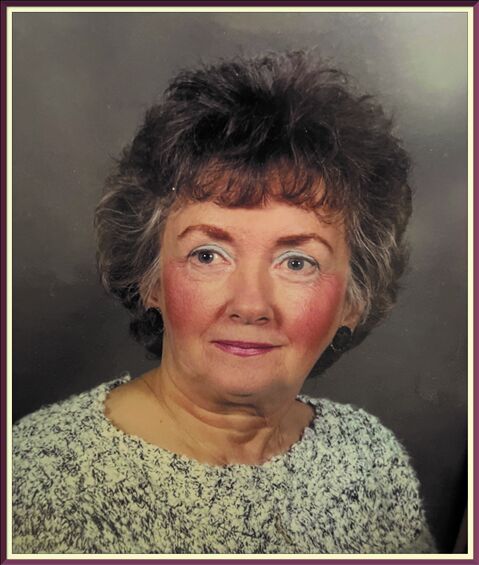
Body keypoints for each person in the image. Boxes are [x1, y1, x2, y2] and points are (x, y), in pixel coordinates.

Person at [13, 50, 437, 554]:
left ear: (354, 300)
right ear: (151, 280)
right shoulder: (36, 480)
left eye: (297, 262)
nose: (250, 304)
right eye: (208, 255)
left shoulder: (370, 459)